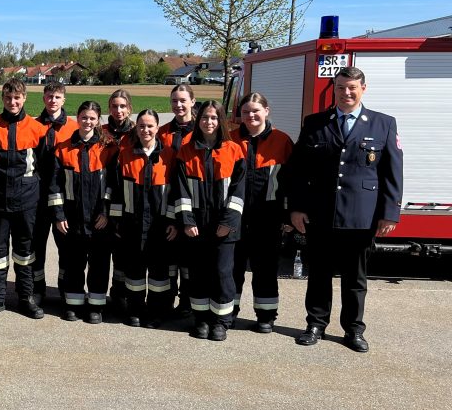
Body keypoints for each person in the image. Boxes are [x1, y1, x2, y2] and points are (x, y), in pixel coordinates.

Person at [287, 67, 402, 352]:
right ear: (334, 89)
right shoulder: (314, 122)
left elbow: (392, 172)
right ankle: (315, 324)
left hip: (361, 216)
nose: (346, 93)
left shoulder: (383, 123)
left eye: (352, 87)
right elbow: (299, 171)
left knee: (355, 278)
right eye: (340, 88)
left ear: (363, 88)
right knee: (319, 275)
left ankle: (353, 330)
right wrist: (297, 207)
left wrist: (390, 212)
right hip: (321, 213)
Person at [172, 100, 246, 341]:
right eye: (204, 117)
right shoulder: (186, 150)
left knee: (223, 273)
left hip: (224, 226)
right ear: (198, 120)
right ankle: (201, 319)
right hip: (196, 226)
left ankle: (221, 321)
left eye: (214, 118)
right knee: (198, 273)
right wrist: (187, 220)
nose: (209, 122)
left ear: (221, 121)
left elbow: (238, 192)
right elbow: (181, 190)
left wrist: (229, 222)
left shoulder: (234, 151)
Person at [0, 79, 49, 319]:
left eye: (17, 98)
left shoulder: (37, 129)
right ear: (3, 99)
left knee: (25, 251)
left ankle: (26, 297)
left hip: (27, 200)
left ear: (25, 98)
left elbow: (44, 166)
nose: (13, 102)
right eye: (8, 98)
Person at [227, 92, 293, 333]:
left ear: (266, 111)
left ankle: (266, 316)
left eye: (255, 110)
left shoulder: (282, 141)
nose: (251, 115)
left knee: (265, 269)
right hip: (234, 217)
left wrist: (287, 218)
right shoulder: (230, 140)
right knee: (231, 268)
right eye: (246, 112)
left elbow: (290, 183)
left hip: (268, 217)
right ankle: (228, 313)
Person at [108, 109, 177, 328]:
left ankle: (157, 311)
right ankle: (135, 309)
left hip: (161, 225)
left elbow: (177, 193)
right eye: (141, 126)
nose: (145, 130)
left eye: (150, 126)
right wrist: (117, 221)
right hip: (132, 223)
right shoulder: (125, 154)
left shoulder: (170, 156)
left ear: (158, 128)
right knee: (134, 271)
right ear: (135, 128)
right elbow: (116, 190)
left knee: (158, 275)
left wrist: (174, 221)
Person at [49, 101, 114, 323]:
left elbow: (112, 185)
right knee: (73, 263)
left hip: (99, 220)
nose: (87, 122)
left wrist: (106, 212)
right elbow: (55, 186)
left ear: (98, 121)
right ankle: (72, 305)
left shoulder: (108, 149)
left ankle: (96, 306)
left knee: (99, 264)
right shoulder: (63, 149)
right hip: (72, 219)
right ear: (77, 118)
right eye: (84, 117)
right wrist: (59, 215)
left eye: (92, 118)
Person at [31, 81, 79, 309]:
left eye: (57, 97)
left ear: (64, 100)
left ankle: (63, 289)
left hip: (64, 198)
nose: (53, 101)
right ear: (43, 98)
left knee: (67, 249)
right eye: (49, 96)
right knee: (36, 246)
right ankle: (37, 289)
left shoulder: (73, 128)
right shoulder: (32, 125)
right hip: (38, 198)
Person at [158, 84, 197, 316]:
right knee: (170, 257)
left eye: (183, 100)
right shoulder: (162, 132)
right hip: (167, 200)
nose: (178, 105)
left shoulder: (203, 129)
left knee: (190, 259)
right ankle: (167, 300)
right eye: (174, 101)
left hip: (195, 200)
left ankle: (188, 302)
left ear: (193, 101)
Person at [102, 89, 136, 315]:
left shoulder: (136, 132)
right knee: (106, 250)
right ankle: (104, 294)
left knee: (125, 252)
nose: (118, 110)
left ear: (129, 108)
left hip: (129, 198)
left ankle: (121, 292)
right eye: (114, 106)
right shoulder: (101, 131)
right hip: (103, 196)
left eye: (122, 106)